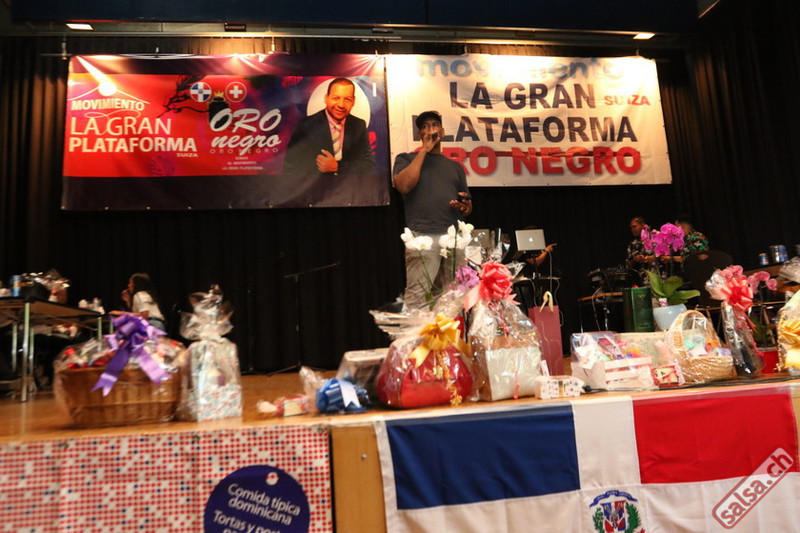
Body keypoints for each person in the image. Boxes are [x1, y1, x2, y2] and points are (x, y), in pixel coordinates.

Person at [393, 110, 472, 311]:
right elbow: (403, 186)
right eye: (425, 126)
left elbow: (467, 206)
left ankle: (447, 332)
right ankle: (414, 333)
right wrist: (424, 151)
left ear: (442, 131)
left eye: (434, 125)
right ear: (419, 134)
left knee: (454, 297)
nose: (430, 130)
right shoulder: (405, 159)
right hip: (423, 237)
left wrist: (464, 207)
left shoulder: (455, 167)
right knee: (418, 297)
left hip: (454, 238)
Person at [282, 77, 374, 177]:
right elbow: (290, 168)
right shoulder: (305, 126)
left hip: (349, 186)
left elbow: (368, 165)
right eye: (336, 98)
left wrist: (338, 166)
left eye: (347, 99)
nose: (341, 105)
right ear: (326, 98)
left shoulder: (359, 125)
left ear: (353, 101)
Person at [625, 216, 655, 284]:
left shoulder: (654, 238)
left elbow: (664, 256)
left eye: (634, 226)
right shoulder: (633, 244)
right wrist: (635, 259)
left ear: (642, 226)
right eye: (631, 227)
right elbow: (628, 264)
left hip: (656, 277)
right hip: (641, 280)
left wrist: (651, 258)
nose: (632, 229)